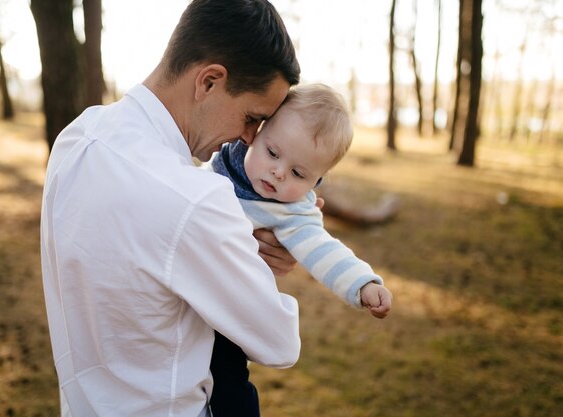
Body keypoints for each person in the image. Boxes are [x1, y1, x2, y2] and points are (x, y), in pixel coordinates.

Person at [39, 1, 305, 416]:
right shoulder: (196, 198)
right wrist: (255, 262)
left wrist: (233, 250)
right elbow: (279, 341)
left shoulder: (78, 136)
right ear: (210, 81)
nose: (250, 139)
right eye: (252, 117)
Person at [206, 84, 394, 417]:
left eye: (297, 173)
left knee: (230, 390)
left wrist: (362, 284)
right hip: (181, 296)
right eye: (273, 153)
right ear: (256, 134)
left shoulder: (293, 213)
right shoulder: (216, 164)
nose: (278, 172)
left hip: (228, 317)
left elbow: (323, 250)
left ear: (316, 182)